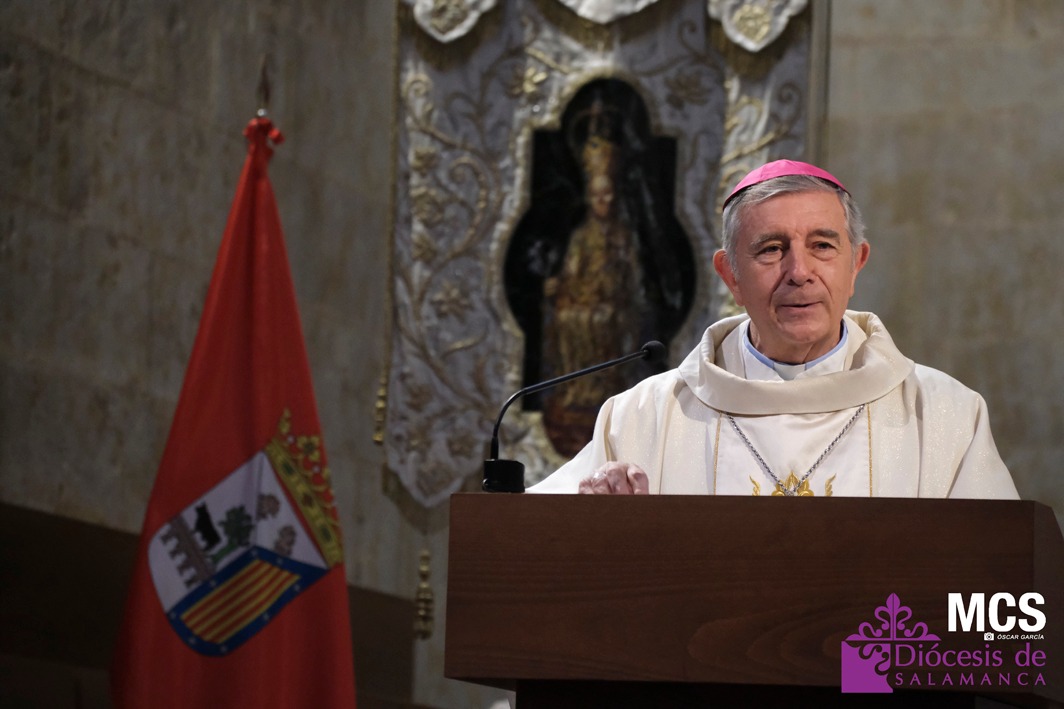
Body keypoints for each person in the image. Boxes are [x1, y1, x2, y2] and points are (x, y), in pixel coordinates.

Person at [528, 159, 1019, 499]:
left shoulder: (945, 415)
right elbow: (536, 544)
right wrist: (596, 518)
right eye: (771, 249)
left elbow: (998, 575)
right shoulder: (642, 418)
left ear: (856, 264)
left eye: (822, 246)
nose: (799, 272)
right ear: (730, 276)